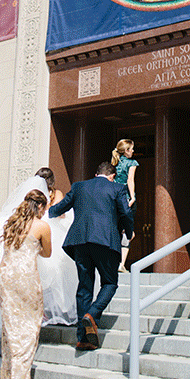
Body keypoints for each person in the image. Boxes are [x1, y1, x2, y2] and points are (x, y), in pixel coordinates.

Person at [0, 167, 77, 332]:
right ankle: (43, 311)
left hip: (27, 236)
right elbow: (60, 213)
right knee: (54, 273)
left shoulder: (29, 195)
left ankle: (28, 313)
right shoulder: (56, 194)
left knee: (40, 273)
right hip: (47, 233)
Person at [48, 161, 134, 350]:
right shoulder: (118, 188)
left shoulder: (79, 186)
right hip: (105, 241)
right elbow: (126, 212)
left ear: (96, 174)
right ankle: (92, 315)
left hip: (79, 241)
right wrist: (129, 232)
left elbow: (61, 207)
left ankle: (82, 338)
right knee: (110, 283)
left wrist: (46, 214)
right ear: (112, 176)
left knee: (84, 287)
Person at [0, 189, 52, 379]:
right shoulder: (42, 226)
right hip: (26, 276)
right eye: (44, 208)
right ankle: (19, 378)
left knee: (10, 325)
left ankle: (7, 377)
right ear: (39, 206)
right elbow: (47, 253)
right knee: (30, 324)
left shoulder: (12, 222)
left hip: (5, 274)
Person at [111, 138, 138, 272]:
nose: (133, 151)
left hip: (114, 198)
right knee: (128, 232)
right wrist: (132, 196)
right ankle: (121, 263)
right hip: (125, 198)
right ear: (126, 150)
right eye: (131, 148)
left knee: (116, 229)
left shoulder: (115, 162)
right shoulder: (131, 163)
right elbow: (130, 180)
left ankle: (114, 261)